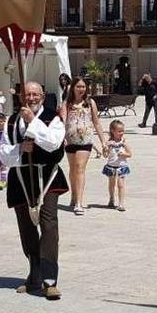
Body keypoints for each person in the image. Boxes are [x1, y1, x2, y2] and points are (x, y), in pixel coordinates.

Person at [0, 81, 67, 300]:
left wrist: (33, 124)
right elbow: (3, 154)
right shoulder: (11, 122)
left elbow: (54, 144)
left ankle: (50, 281)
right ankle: (34, 274)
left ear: (43, 96)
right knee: (26, 228)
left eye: (35, 94)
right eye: (27, 94)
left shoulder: (53, 118)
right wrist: (20, 148)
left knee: (49, 225)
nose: (31, 98)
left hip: (47, 178)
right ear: (21, 96)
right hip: (21, 179)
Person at [59, 77, 107, 216]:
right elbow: (62, 122)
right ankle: (74, 196)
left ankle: (79, 202)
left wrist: (103, 141)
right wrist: (61, 138)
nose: (81, 89)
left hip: (85, 140)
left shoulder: (90, 103)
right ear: (72, 88)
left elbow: (96, 122)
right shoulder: (67, 103)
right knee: (73, 169)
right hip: (70, 140)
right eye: (78, 86)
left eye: (83, 87)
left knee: (80, 168)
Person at [102, 120, 132, 212]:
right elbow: (105, 155)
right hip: (111, 166)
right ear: (112, 131)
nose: (121, 133)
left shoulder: (123, 143)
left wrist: (123, 154)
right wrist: (105, 148)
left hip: (121, 166)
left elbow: (130, 154)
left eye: (122, 131)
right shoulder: (109, 143)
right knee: (111, 185)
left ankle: (121, 203)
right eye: (119, 131)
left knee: (120, 185)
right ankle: (111, 199)